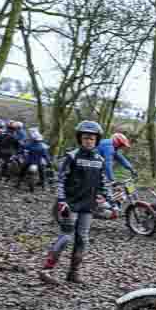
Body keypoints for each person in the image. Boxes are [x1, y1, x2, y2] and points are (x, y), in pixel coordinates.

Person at [39, 121, 108, 285]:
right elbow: (60, 180)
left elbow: (103, 182)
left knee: (82, 239)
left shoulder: (99, 159)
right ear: (80, 139)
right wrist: (61, 200)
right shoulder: (72, 156)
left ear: (97, 140)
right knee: (66, 237)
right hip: (70, 203)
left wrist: (106, 197)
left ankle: (73, 273)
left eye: (91, 138)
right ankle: (46, 269)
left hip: (88, 205)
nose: (88, 141)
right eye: (85, 138)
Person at [96, 132, 137, 211]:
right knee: (106, 186)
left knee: (114, 188)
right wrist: (112, 180)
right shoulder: (108, 146)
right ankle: (103, 207)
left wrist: (131, 169)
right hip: (94, 168)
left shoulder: (113, 147)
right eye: (121, 145)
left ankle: (112, 206)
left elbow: (121, 159)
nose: (121, 147)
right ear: (117, 142)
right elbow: (108, 164)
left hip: (98, 167)